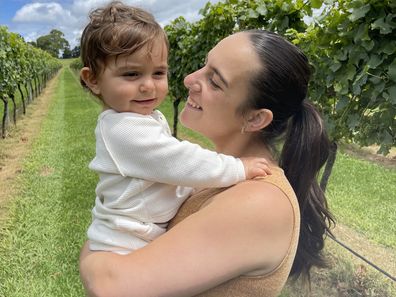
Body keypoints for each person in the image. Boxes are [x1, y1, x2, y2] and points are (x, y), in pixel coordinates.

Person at [79, 26, 335, 296]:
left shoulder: (259, 201)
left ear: (255, 118)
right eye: (203, 65)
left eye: (215, 81)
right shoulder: (214, 173)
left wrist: (92, 252)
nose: (189, 79)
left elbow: (110, 285)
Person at [79, 1, 270, 255]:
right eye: (131, 75)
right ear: (93, 80)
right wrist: (236, 168)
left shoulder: (140, 118)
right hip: (125, 241)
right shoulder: (122, 130)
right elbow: (178, 160)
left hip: (141, 232)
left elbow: (166, 164)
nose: (148, 85)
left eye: (158, 73)